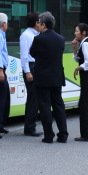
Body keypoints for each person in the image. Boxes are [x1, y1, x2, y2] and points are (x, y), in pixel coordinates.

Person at [29, 12, 68, 143]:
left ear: (44, 25)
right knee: (58, 105)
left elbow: (32, 53)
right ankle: (63, 135)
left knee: (45, 106)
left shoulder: (38, 39)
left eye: (39, 23)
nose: (38, 25)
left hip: (42, 77)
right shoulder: (61, 39)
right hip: (57, 76)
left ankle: (49, 135)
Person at [20, 11, 42, 136]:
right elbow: (24, 56)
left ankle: (31, 126)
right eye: (40, 21)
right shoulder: (27, 35)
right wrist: (27, 71)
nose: (41, 24)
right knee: (33, 98)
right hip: (31, 67)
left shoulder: (36, 34)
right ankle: (29, 127)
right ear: (36, 23)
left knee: (34, 98)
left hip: (35, 67)